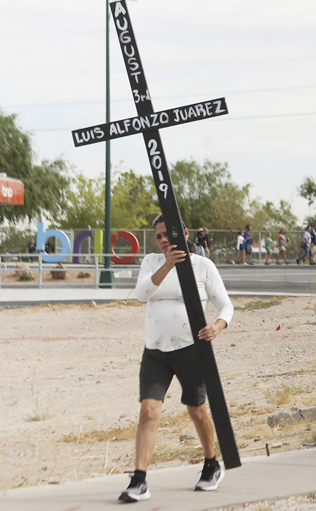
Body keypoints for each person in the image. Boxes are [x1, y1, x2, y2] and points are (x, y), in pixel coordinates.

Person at [120, 214, 233, 503]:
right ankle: (139, 479)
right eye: (157, 237)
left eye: (166, 235)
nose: (162, 241)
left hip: (191, 351)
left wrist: (217, 327)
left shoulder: (203, 266)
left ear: (182, 232)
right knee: (148, 411)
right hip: (155, 352)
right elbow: (141, 295)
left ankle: (211, 464)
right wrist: (168, 265)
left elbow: (225, 305)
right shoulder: (152, 263)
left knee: (196, 410)